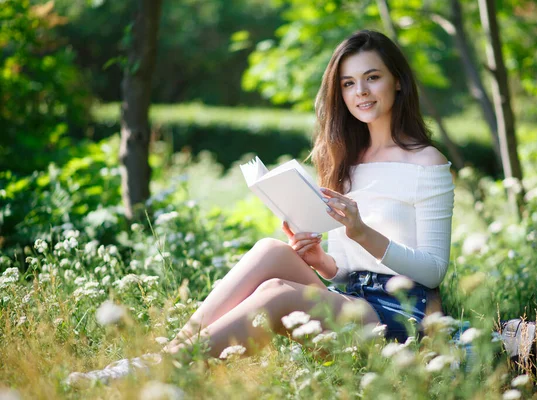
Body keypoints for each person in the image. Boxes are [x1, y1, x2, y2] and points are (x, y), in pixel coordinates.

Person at [67, 29, 454, 385]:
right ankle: (164, 357)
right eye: (348, 83)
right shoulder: (345, 161)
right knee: (272, 251)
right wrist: (322, 263)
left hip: (402, 318)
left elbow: (434, 271)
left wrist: (362, 232)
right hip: (354, 302)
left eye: (372, 77)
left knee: (279, 293)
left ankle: (160, 371)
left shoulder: (427, 164)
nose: (361, 92)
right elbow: (350, 275)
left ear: (397, 81)